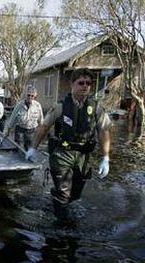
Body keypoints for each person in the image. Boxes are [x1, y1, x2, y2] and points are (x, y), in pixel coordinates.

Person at [26, 68, 112, 216]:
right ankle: (60, 224)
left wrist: (105, 158)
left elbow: (104, 131)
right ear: (72, 84)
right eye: (81, 83)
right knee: (63, 194)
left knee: (75, 195)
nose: (85, 86)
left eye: (88, 83)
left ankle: (57, 203)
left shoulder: (96, 108)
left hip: (83, 156)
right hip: (62, 154)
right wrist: (33, 148)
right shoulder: (60, 106)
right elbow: (44, 127)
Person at [6, 86, 44, 150]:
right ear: (25, 95)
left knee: (28, 148)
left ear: (35, 96)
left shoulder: (37, 105)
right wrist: (8, 132)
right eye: (28, 95)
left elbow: (41, 119)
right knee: (18, 148)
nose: (30, 97)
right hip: (20, 129)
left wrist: (41, 132)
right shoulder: (19, 105)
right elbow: (12, 119)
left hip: (31, 130)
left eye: (32, 96)